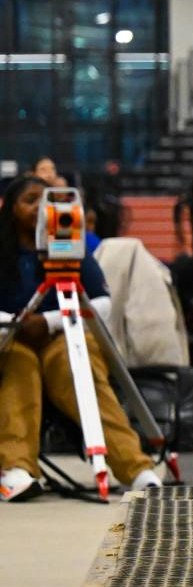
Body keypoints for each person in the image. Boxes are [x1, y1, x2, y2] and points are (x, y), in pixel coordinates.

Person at [0, 176, 160, 502]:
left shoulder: (67, 243)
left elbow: (101, 303)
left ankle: (134, 467)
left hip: (61, 333)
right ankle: (15, 468)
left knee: (80, 368)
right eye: (30, 200)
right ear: (12, 209)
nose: (39, 207)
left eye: (45, 200)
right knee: (20, 368)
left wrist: (48, 321)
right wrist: (15, 323)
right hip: (9, 338)